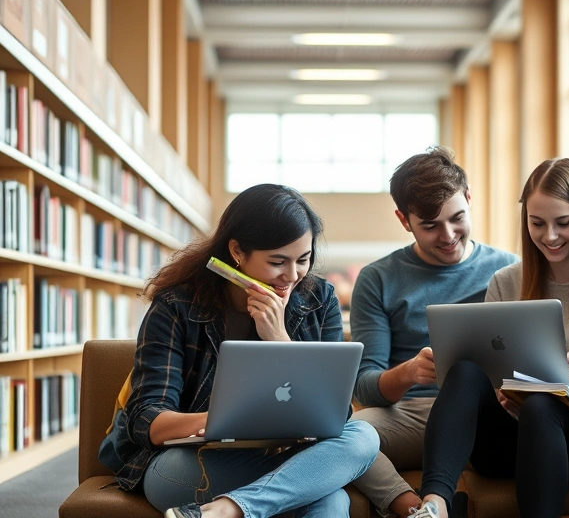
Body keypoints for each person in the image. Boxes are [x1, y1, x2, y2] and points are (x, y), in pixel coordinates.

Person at [106, 184, 379, 518]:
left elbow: (336, 414)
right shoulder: (176, 306)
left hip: (290, 456)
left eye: (303, 260)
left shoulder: (319, 301)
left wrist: (279, 339)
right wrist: (218, 421)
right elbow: (147, 418)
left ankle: (227, 510)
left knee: (363, 436)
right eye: (277, 261)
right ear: (236, 251)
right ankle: (255, 500)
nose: (291, 276)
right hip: (191, 463)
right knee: (326, 494)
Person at [411, 158, 569, 518]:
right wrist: (501, 392)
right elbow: (487, 370)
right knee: (465, 371)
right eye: (537, 223)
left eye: (564, 223)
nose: (550, 236)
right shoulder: (506, 281)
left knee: (544, 405)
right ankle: (434, 504)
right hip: (509, 440)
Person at [349, 147, 518, 517]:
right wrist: (409, 372)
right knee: (338, 433)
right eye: (430, 225)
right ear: (403, 219)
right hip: (411, 413)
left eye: (457, 218)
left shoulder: (509, 270)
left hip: (488, 414)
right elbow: (364, 386)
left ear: (469, 197)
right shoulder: (378, 279)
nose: (448, 235)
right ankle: (412, 507)